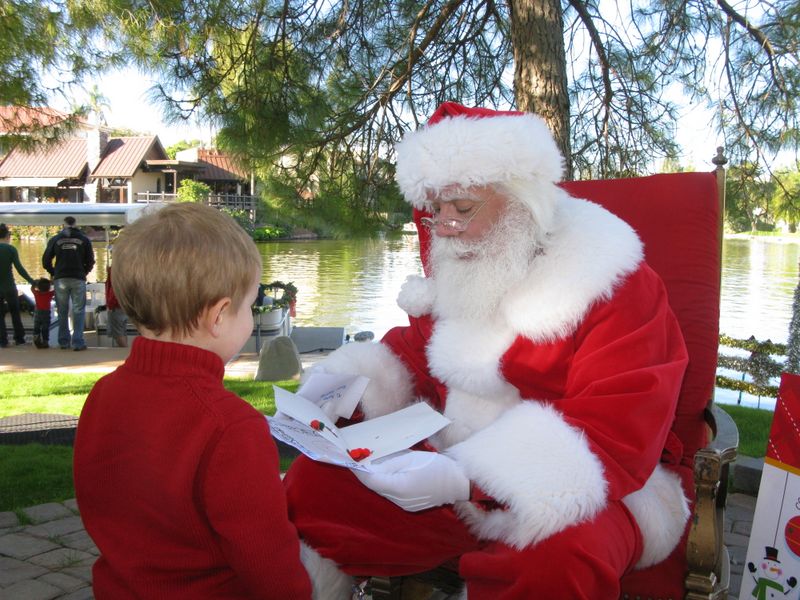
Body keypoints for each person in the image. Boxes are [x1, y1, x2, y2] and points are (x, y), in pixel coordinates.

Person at [283, 102, 691, 599]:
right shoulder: (468, 264)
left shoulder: (613, 282)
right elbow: (419, 353)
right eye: (436, 210)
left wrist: (466, 481)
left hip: (587, 482)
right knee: (311, 487)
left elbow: (616, 426)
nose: (446, 228)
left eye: (463, 207)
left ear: (521, 200)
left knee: (553, 562)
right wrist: (344, 389)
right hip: (452, 465)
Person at [73, 203, 311, 599]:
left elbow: (104, 501)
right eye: (249, 305)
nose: (251, 317)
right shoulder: (230, 427)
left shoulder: (104, 394)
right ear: (219, 315)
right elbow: (269, 564)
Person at [42, 215, 95, 351]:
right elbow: (91, 260)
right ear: (76, 224)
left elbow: (46, 260)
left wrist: (54, 272)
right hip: (78, 277)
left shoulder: (56, 239)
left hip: (61, 278)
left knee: (62, 311)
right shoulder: (84, 239)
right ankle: (78, 342)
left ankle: (64, 342)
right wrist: (84, 272)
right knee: (78, 310)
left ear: (63, 224)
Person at [0, 223, 35, 347]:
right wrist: (32, 281)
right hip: (9, 286)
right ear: (7, 236)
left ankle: (2, 341)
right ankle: (19, 338)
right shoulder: (11, 249)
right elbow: (20, 269)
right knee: (15, 312)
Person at [104, 255, 127, 347]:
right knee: (122, 329)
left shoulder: (115, 272)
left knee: (118, 331)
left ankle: (124, 349)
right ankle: (125, 348)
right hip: (125, 304)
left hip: (116, 304)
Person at [30, 277, 54, 349]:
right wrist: (52, 282)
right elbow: (56, 290)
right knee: (45, 328)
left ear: (39, 287)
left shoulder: (37, 293)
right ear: (48, 288)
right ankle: (45, 341)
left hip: (38, 312)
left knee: (36, 326)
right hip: (46, 313)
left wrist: (34, 283)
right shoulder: (49, 294)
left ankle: (36, 337)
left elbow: (32, 289)